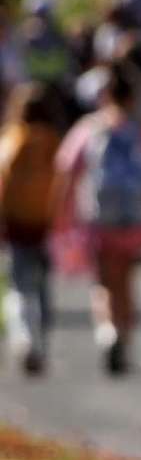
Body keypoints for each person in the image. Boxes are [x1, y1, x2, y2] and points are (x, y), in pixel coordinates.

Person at [54, 66, 141, 376]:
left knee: (104, 280)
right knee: (125, 279)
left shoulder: (89, 129)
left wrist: (62, 213)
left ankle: (108, 330)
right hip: (134, 218)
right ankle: (125, 335)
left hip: (98, 217)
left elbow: (67, 170)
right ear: (132, 97)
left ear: (104, 95)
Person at [0, 83, 61, 376]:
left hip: (17, 223)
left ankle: (25, 337)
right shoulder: (53, 142)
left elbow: (4, 182)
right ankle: (40, 339)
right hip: (45, 222)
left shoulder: (14, 139)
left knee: (20, 285)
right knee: (42, 284)